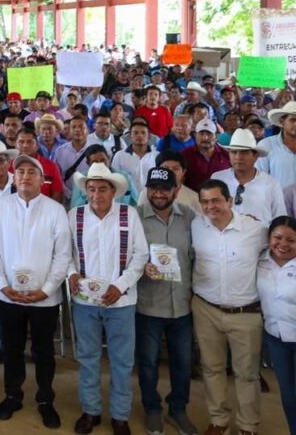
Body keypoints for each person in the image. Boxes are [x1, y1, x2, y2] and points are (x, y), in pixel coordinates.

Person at [0, 153, 72, 429]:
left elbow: (63, 255)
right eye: (20, 172)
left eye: (31, 172)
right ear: (14, 178)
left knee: (43, 351)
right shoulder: (0, 208)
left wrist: (46, 290)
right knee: (12, 349)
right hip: (8, 295)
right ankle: (13, 395)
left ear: (42, 179)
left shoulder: (55, 210)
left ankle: (45, 400)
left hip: (44, 299)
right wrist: (3, 284)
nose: (25, 176)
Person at [66, 163, 149, 435]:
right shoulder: (75, 216)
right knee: (88, 357)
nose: (96, 194)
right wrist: (71, 273)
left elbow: (140, 255)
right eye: (91, 189)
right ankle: (91, 410)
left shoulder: (129, 214)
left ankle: (120, 415)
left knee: (122, 361)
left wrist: (120, 286)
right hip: (85, 302)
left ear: (113, 191)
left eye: (102, 189)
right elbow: (65, 253)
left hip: (121, 303)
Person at [191, 179, 267, 435]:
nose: (210, 206)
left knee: (247, 373)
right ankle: (219, 420)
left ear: (230, 201)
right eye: (205, 202)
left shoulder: (255, 229)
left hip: (245, 312)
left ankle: (248, 425)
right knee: (212, 368)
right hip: (206, 309)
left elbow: (279, 249)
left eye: (216, 200)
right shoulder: (196, 226)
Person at [135, 166, 199, 435]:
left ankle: (178, 409)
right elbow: (125, 256)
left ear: (176, 190)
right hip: (148, 303)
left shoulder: (191, 218)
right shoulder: (135, 217)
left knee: (183, 362)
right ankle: (152, 408)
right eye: (153, 188)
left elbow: (199, 255)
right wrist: (142, 267)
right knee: (148, 362)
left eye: (164, 189)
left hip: (182, 304)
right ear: (147, 190)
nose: (158, 194)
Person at [258, 215, 296, 435]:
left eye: (291, 240)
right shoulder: (261, 261)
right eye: (278, 237)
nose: (283, 244)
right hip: (276, 338)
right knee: (288, 393)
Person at [211, 128, 285, 223]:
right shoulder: (218, 179)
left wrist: (257, 225)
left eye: (244, 152)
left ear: (255, 156)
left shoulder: (271, 184)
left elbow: (280, 220)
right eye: (234, 152)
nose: (238, 157)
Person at [180, 119, 230, 190]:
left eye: (209, 134)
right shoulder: (185, 155)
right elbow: (179, 180)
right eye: (201, 134)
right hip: (192, 196)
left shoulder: (226, 155)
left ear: (216, 136)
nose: (205, 138)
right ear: (195, 135)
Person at [258, 101, 296, 191]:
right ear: (282, 122)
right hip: (276, 199)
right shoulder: (266, 145)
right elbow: (259, 179)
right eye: (293, 120)